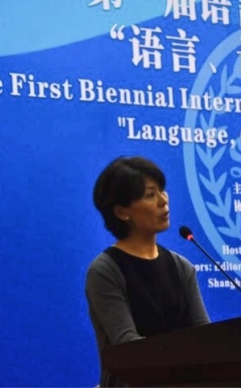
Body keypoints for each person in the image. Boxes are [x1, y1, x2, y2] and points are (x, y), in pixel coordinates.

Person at [85, 156, 210, 387]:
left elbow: (205, 337)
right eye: (151, 195)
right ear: (122, 212)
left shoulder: (181, 266)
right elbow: (129, 346)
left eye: (162, 191)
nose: (163, 201)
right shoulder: (105, 271)